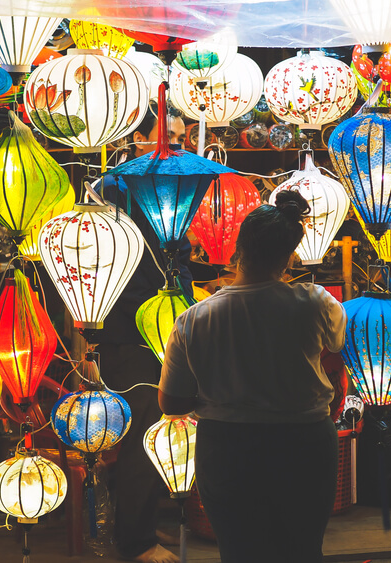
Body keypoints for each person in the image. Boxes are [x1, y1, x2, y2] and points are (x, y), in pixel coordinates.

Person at [158, 191, 347, 563]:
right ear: (290, 254)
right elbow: (334, 350)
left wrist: (221, 393)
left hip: (229, 448)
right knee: (303, 549)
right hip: (304, 442)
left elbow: (171, 403)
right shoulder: (315, 302)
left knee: (240, 551)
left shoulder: (195, 319)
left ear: (238, 248)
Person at [95, 104, 188, 563]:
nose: (176, 144)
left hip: (157, 326)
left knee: (156, 432)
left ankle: (141, 527)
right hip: (132, 330)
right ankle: (136, 542)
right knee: (143, 436)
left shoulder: (158, 185)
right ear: (137, 139)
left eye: (182, 136)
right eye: (168, 135)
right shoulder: (119, 189)